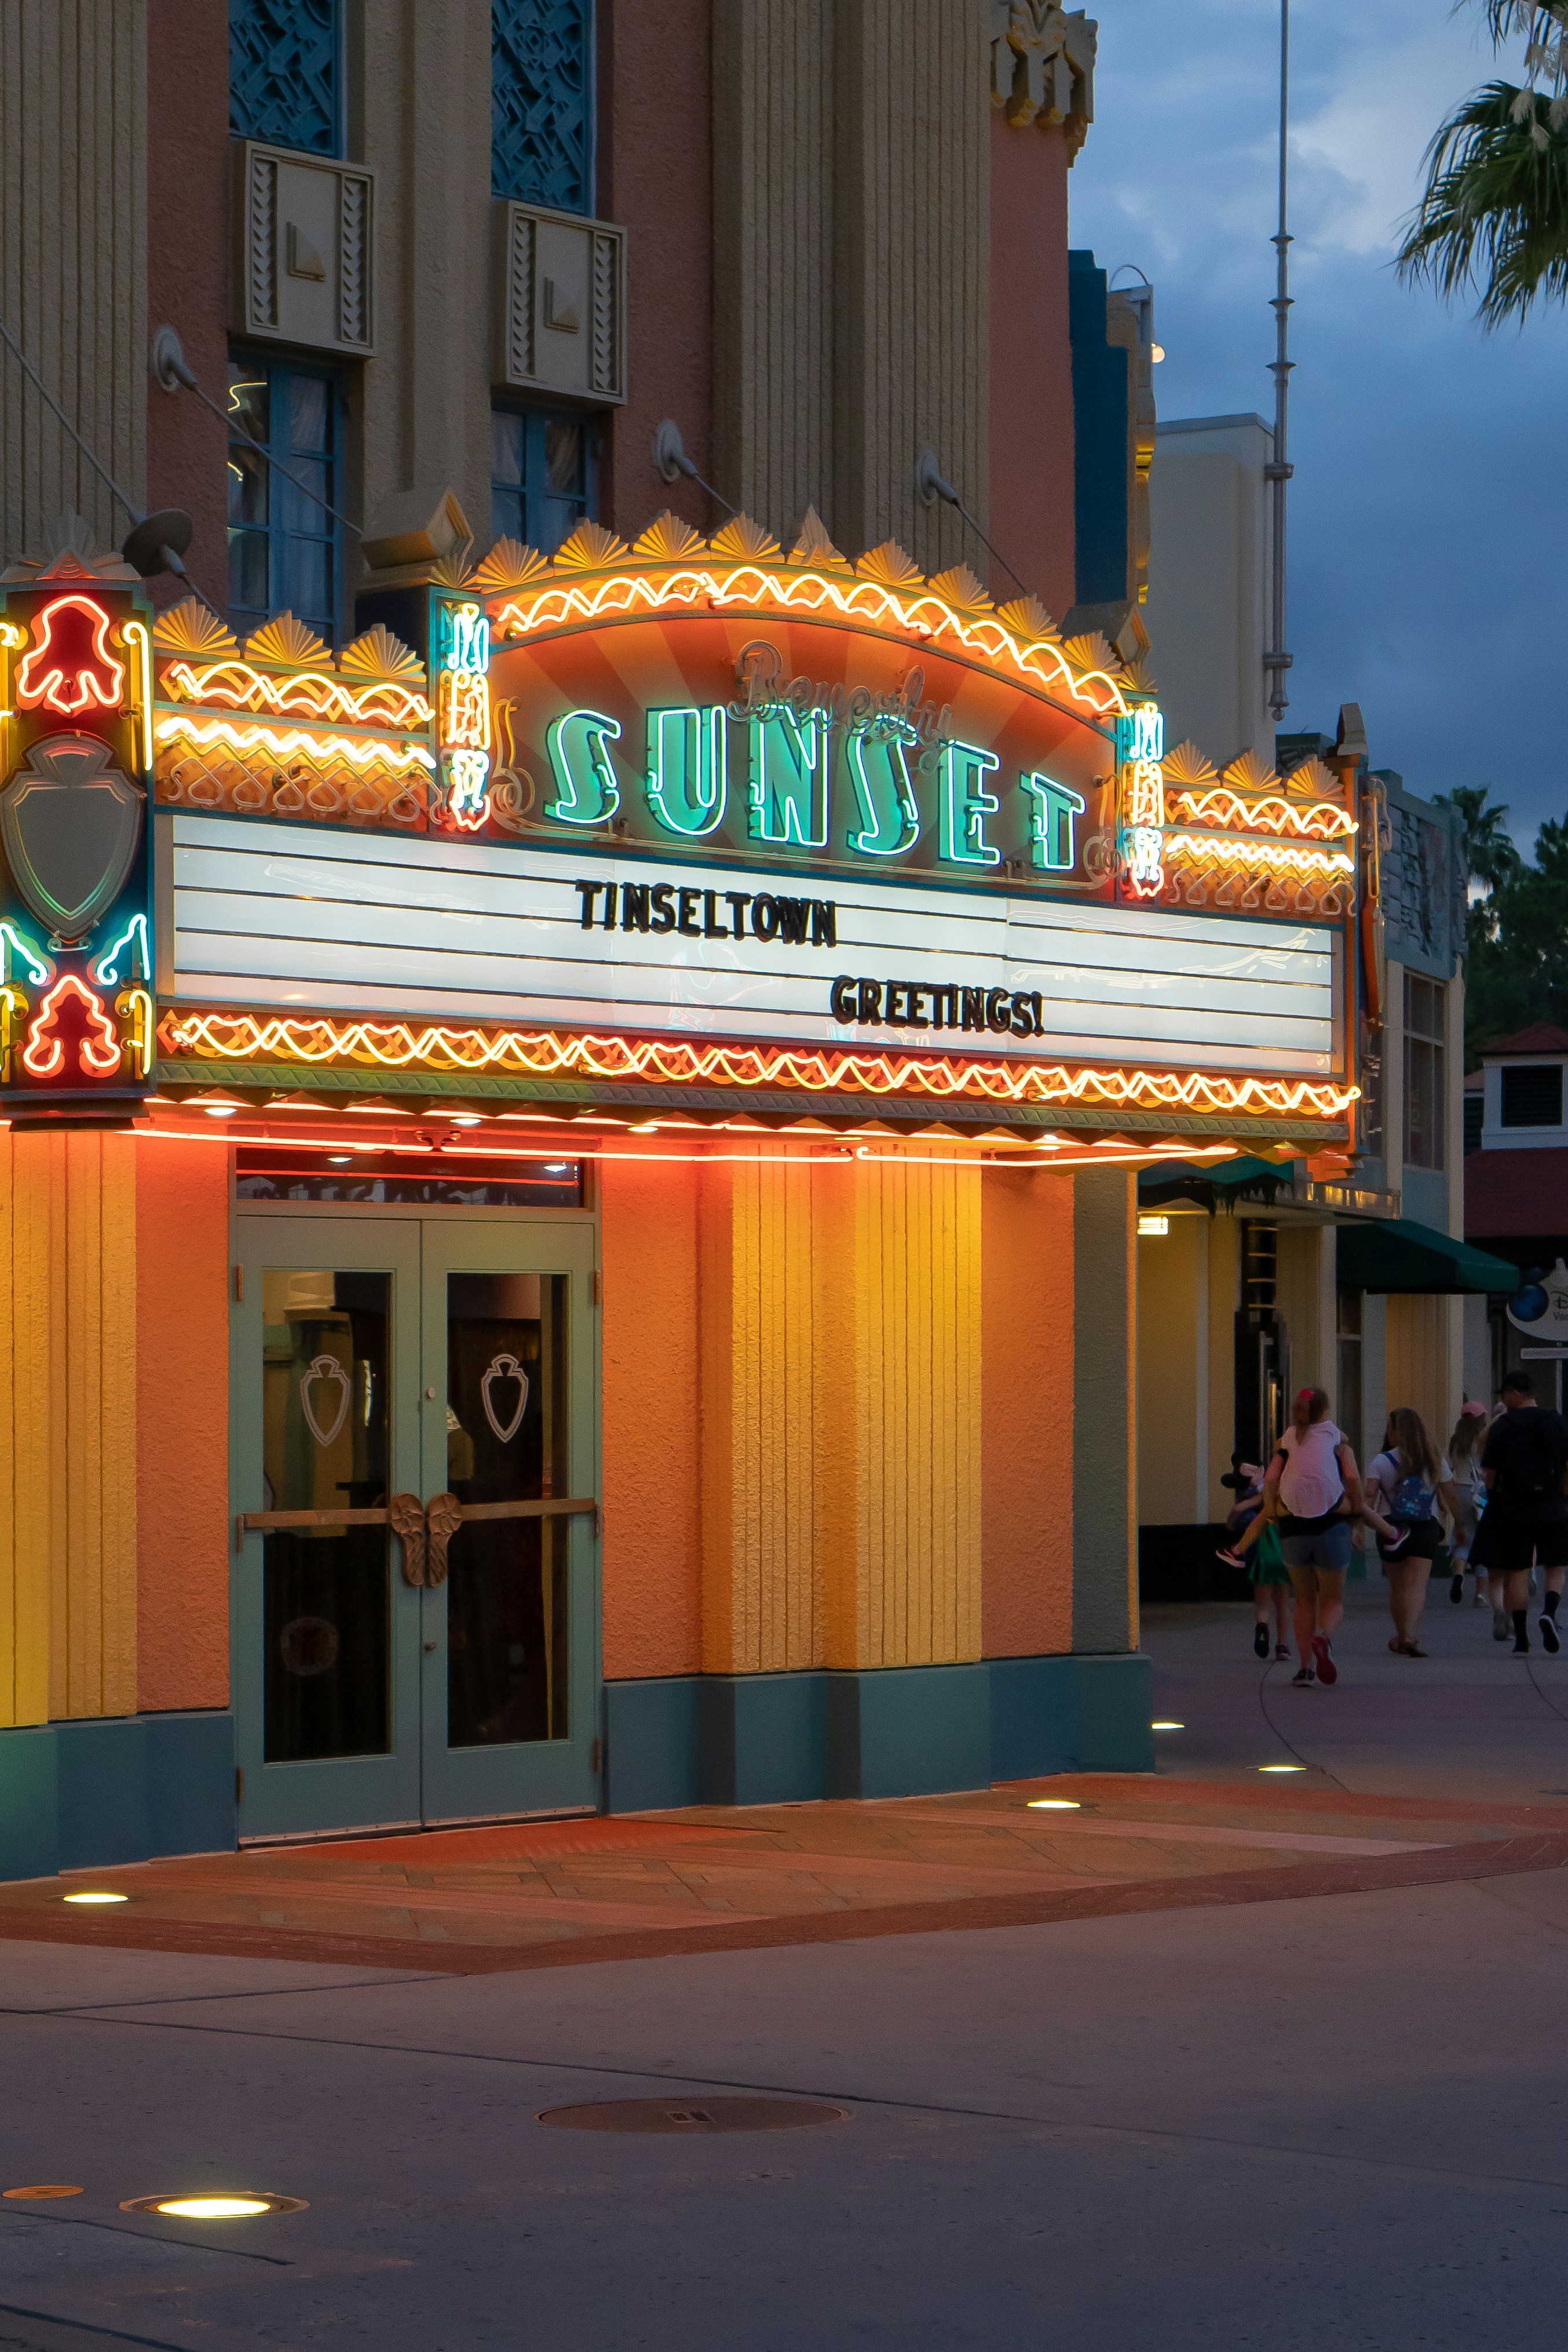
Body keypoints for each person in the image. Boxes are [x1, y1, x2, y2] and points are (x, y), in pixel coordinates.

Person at [1263, 1386, 1366, 1688]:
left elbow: (1271, 1478)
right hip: (1331, 1524)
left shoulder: (1287, 1441)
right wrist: (1357, 1518)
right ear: (1325, 1411)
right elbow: (1353, 1479)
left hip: (1293, 1528)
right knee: (1332, 1599)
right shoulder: (1335, 1437)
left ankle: (1305, 1668)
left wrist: (1271, 1512)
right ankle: (1324, 1637)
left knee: (1304, 1600)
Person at [1470, 1370, 1568, 1655]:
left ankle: (1522, 1639)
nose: (1503, 1400)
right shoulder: (1556, 1421)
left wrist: (1494, 1499)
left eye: (1504, 1395)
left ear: (1515, 1394)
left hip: (1513, 1508)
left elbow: (1490, 1473)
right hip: (1552, 1505)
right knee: (1556, 1566)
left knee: (1518, 1571)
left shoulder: (1504, 1426)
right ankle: (1549, 1612)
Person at [1365, 1408, 1460, 1657]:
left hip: (1390, 1528)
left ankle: (1402, 1635)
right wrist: (1460, 1526)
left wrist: (1358, 1527)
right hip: (1425, 1526)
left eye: (1390, 1427)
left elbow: (1368, 1497)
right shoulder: (1435, 1460)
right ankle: (1410, 1636)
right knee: (1417, 1586)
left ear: (1398, 1432)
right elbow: (1451, 1497)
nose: (1387, 1432)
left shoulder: (1381, 1461)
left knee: (1398, 1587)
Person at [1445, 1401, 1491, 1609]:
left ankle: (1459, 1574)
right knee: (1483, 1540)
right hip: (1481, 1494)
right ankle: (1480, 1595)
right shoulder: (1484, 1440)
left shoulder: (1456, 1441)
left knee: (1462, 1537)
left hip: (1460, 1490)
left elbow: (1450, 1469)